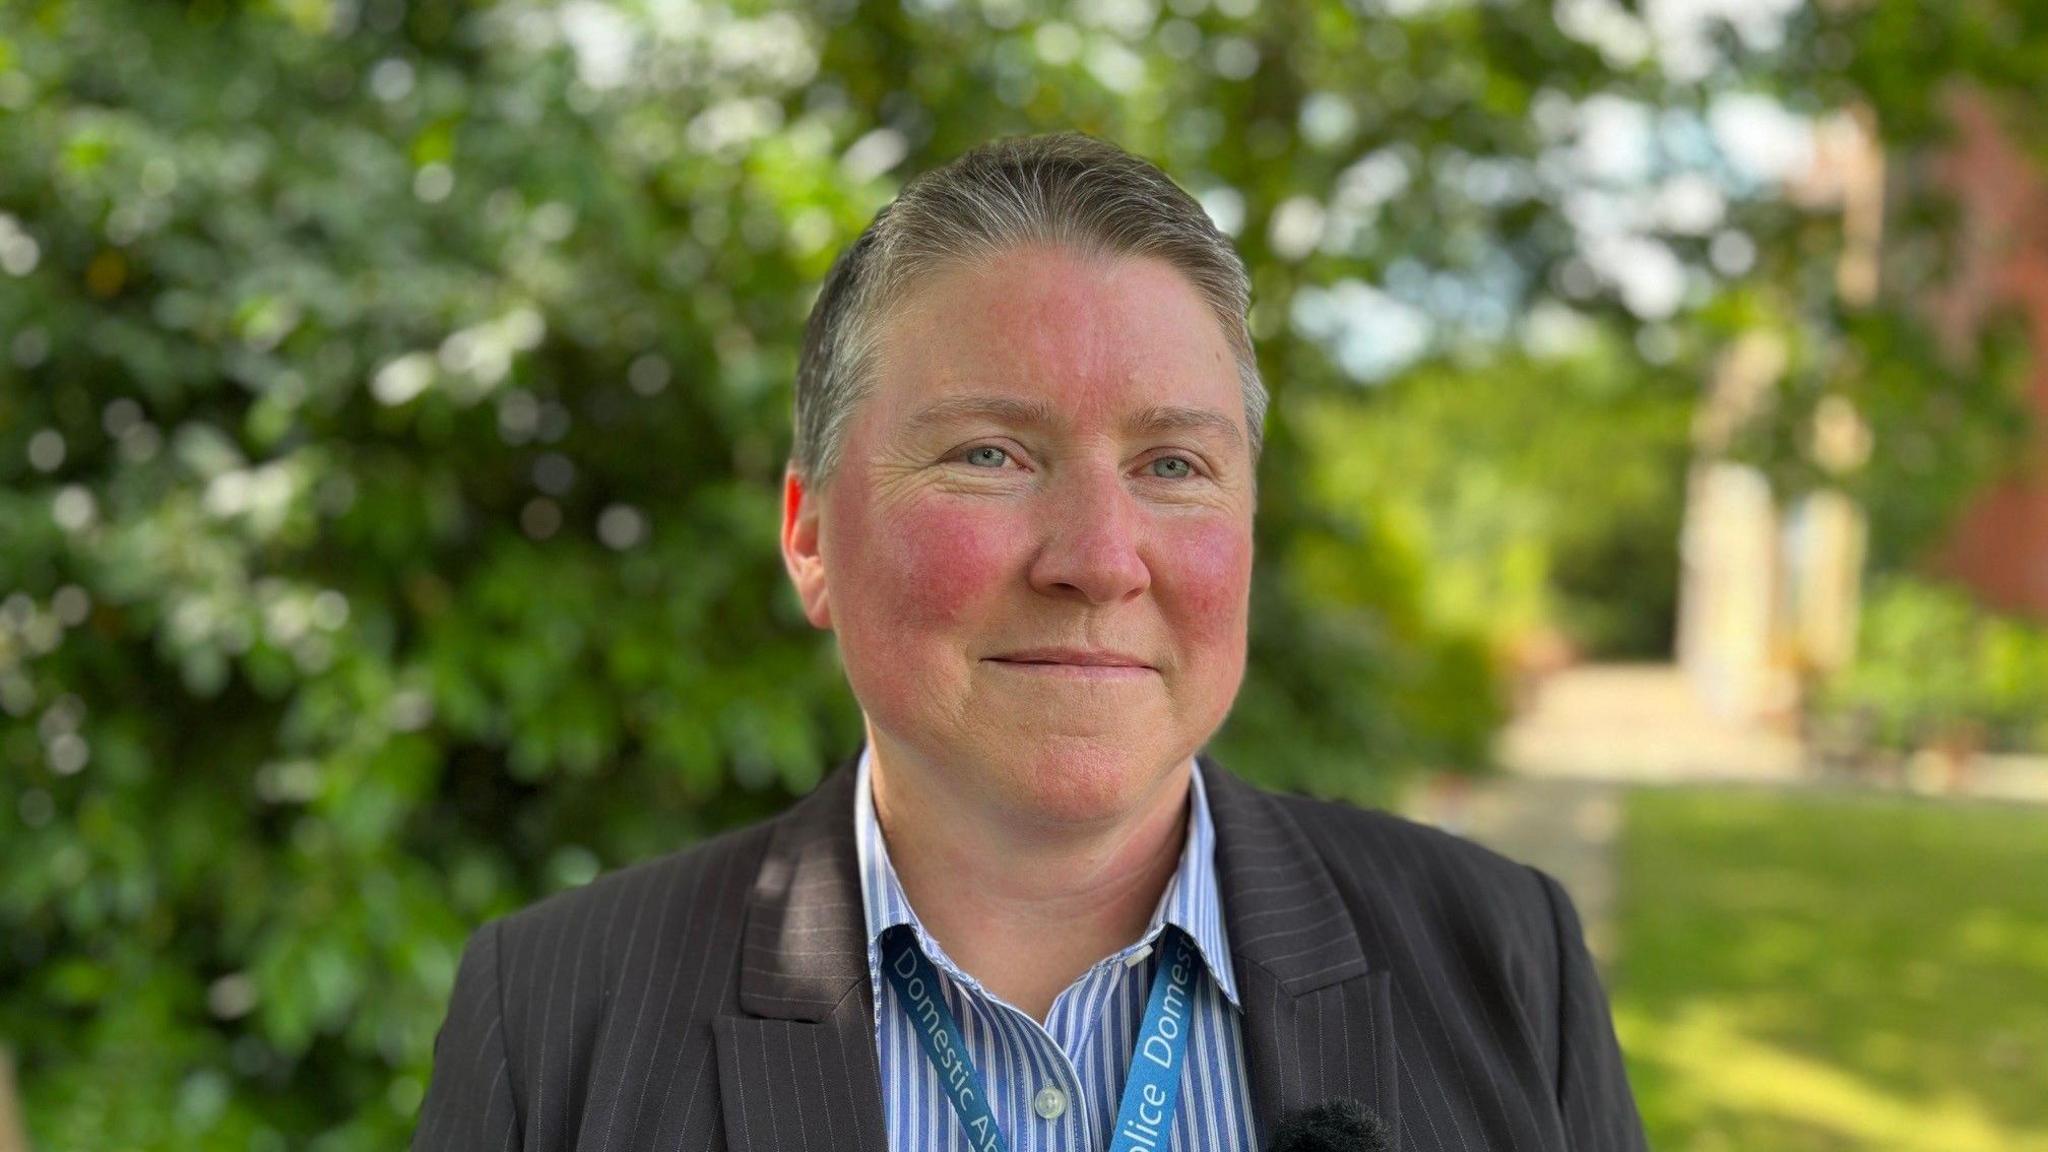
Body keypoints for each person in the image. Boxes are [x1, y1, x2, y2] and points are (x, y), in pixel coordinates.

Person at [412, 132, 1648, 1152]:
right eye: (989, 455)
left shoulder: (1503, 962)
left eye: (1172, 464)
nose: (1099, 560)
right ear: (808, 536)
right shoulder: (557, 1020)